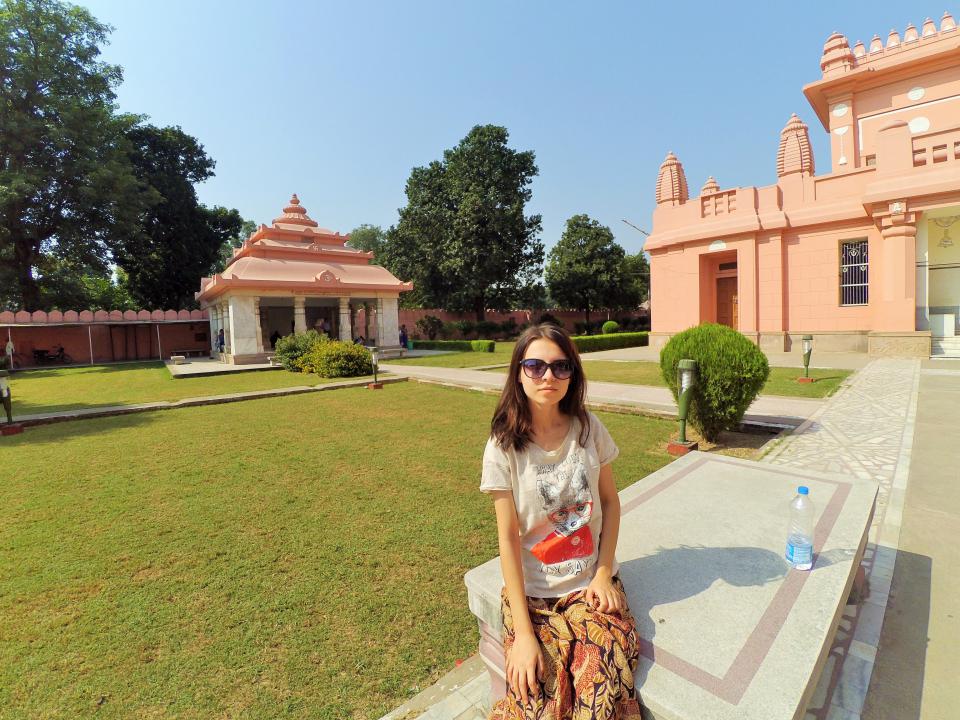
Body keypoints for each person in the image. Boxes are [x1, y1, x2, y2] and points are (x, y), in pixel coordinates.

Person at [480, 324, 642, 719]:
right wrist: (523, 634)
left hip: (589, 586)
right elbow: (507, 538)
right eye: (535, 366)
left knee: (599, 693)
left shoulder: (588, 429)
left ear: (572, 373)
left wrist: (603, 575)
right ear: (518, 373)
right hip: (533, 595)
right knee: (535, 698)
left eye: (560, 366)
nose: (548, 376)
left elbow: (610, 503)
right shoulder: (503, 445)